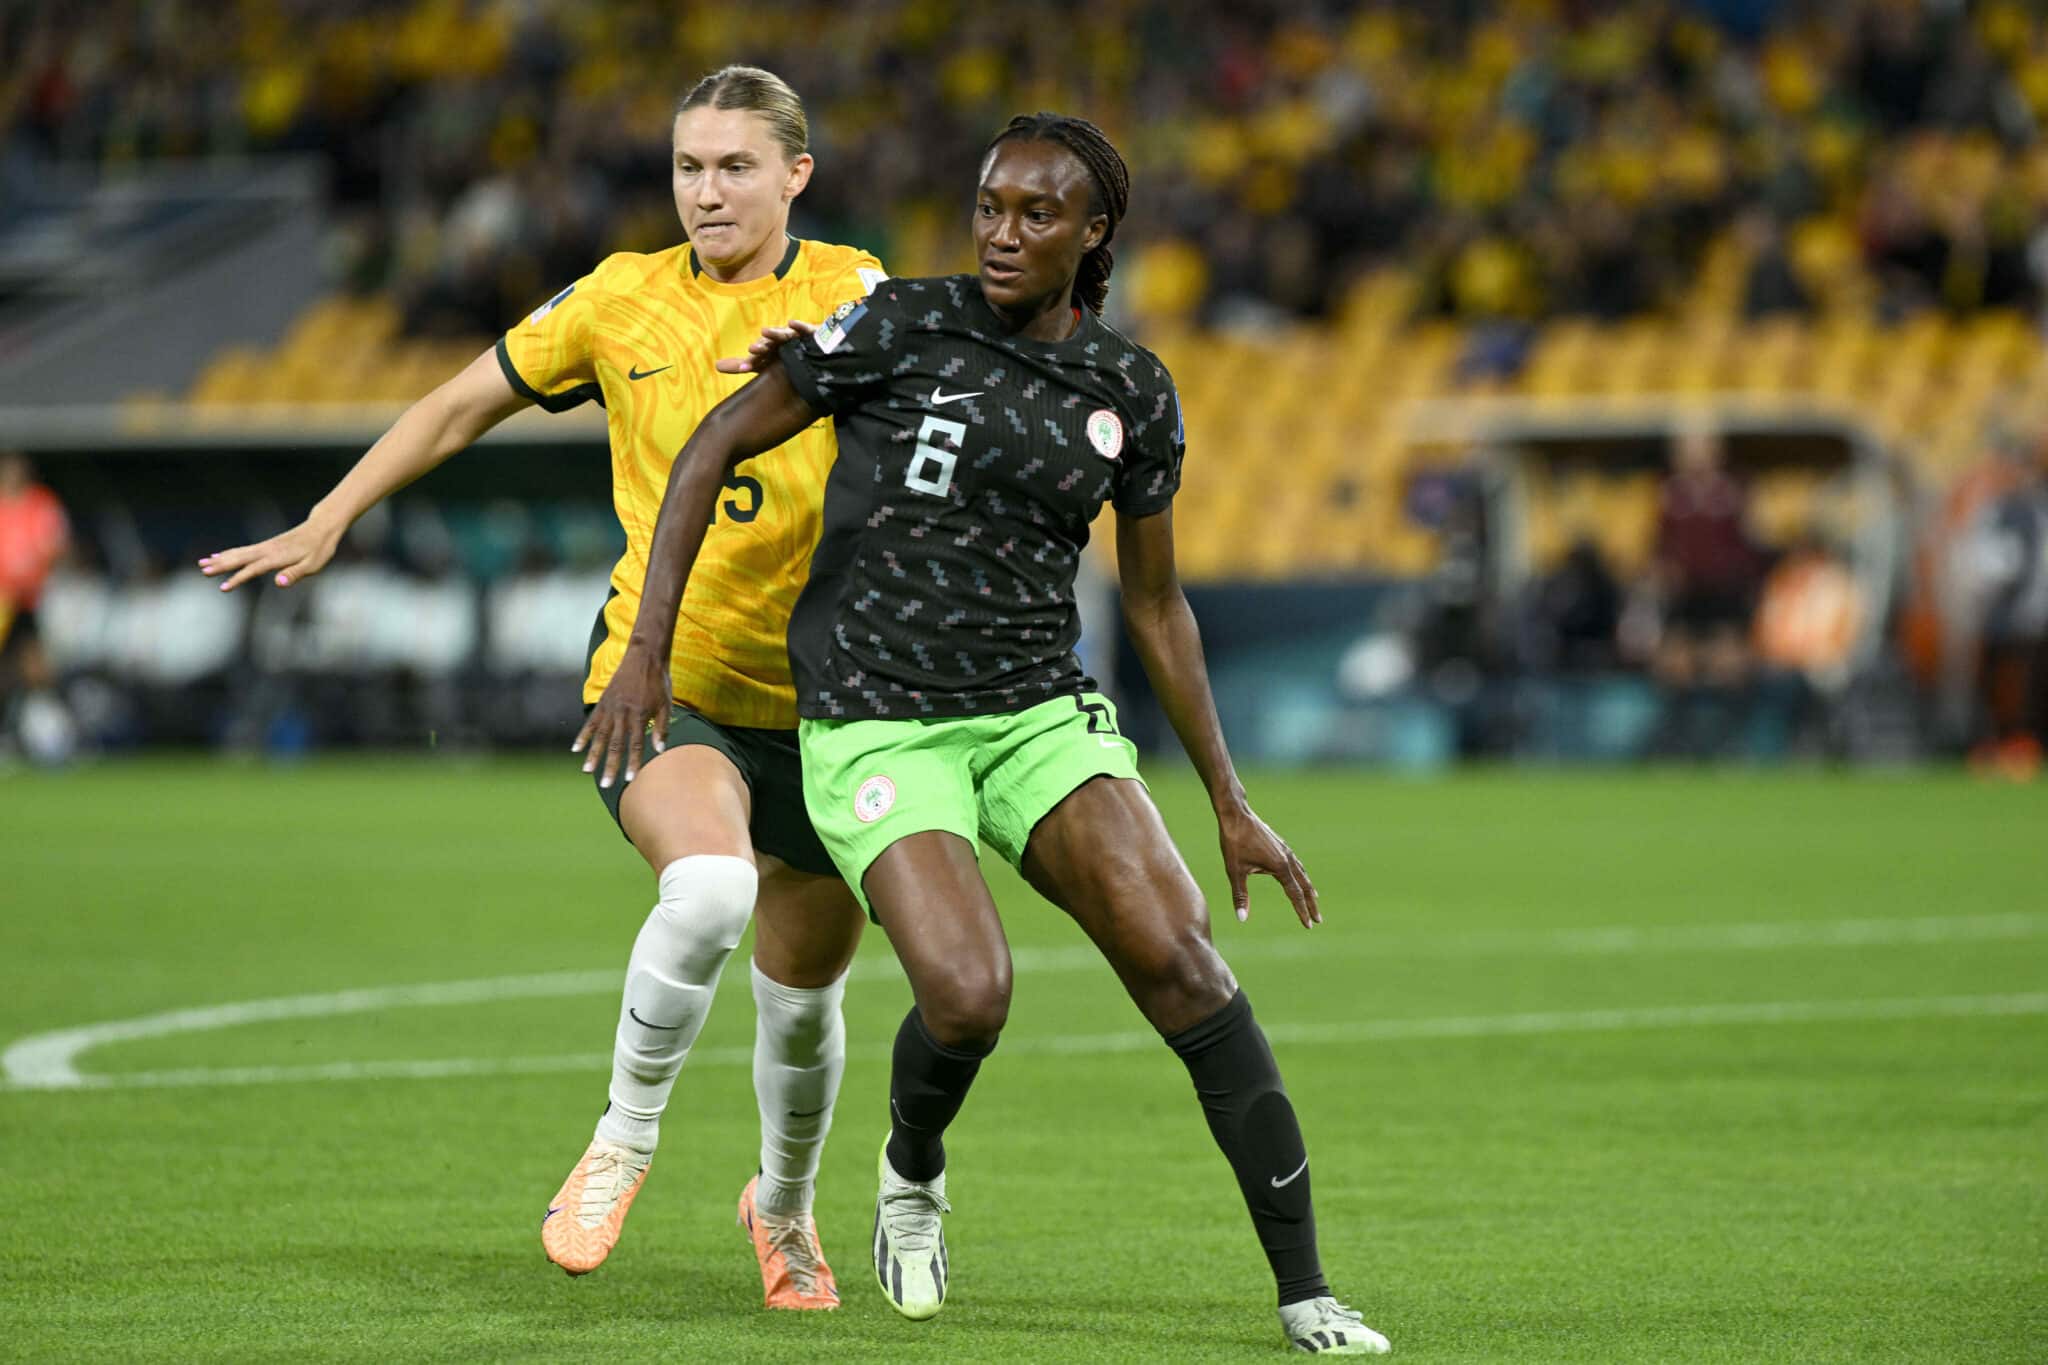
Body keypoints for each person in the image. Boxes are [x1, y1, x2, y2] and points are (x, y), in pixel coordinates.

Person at [581, 112, 1390, 1355]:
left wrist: (1228, 801)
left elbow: (1155, 603)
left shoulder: (1130, 389)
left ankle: (1306, 1292)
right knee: (966, 997)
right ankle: (910, 1171)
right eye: (988, 208)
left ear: (1093, 233)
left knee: (1183, 962)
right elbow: (708, 449)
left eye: (1035, 214)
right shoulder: (898, 325)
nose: (1002, 234)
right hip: (879, 720)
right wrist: (647, 645)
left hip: (1034, 714)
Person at [200, 66, 886, 1309]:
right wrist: (331, 514)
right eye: (688, 167)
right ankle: (620, 1142)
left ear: (796, 175)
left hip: (829, 703)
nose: (706, 192)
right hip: (665, 676)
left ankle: (782, 1209)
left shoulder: (853, 291)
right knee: (710, 889)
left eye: (735, 167)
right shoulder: (619, 298)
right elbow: (458, 403)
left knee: (802, 1005)